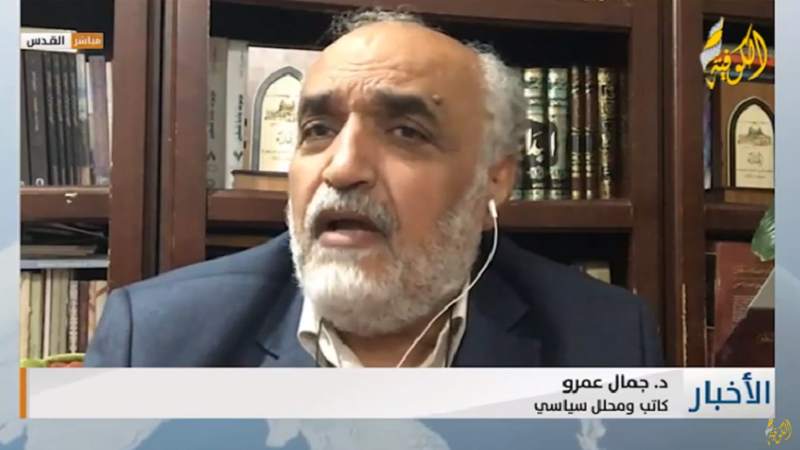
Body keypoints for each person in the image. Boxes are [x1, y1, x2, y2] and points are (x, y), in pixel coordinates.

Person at [85, 9, 663, 368]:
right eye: (318, 130)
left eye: (407, 131)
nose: (342, 169)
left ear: (494, 177)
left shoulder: (605, 341)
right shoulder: (155, 342)